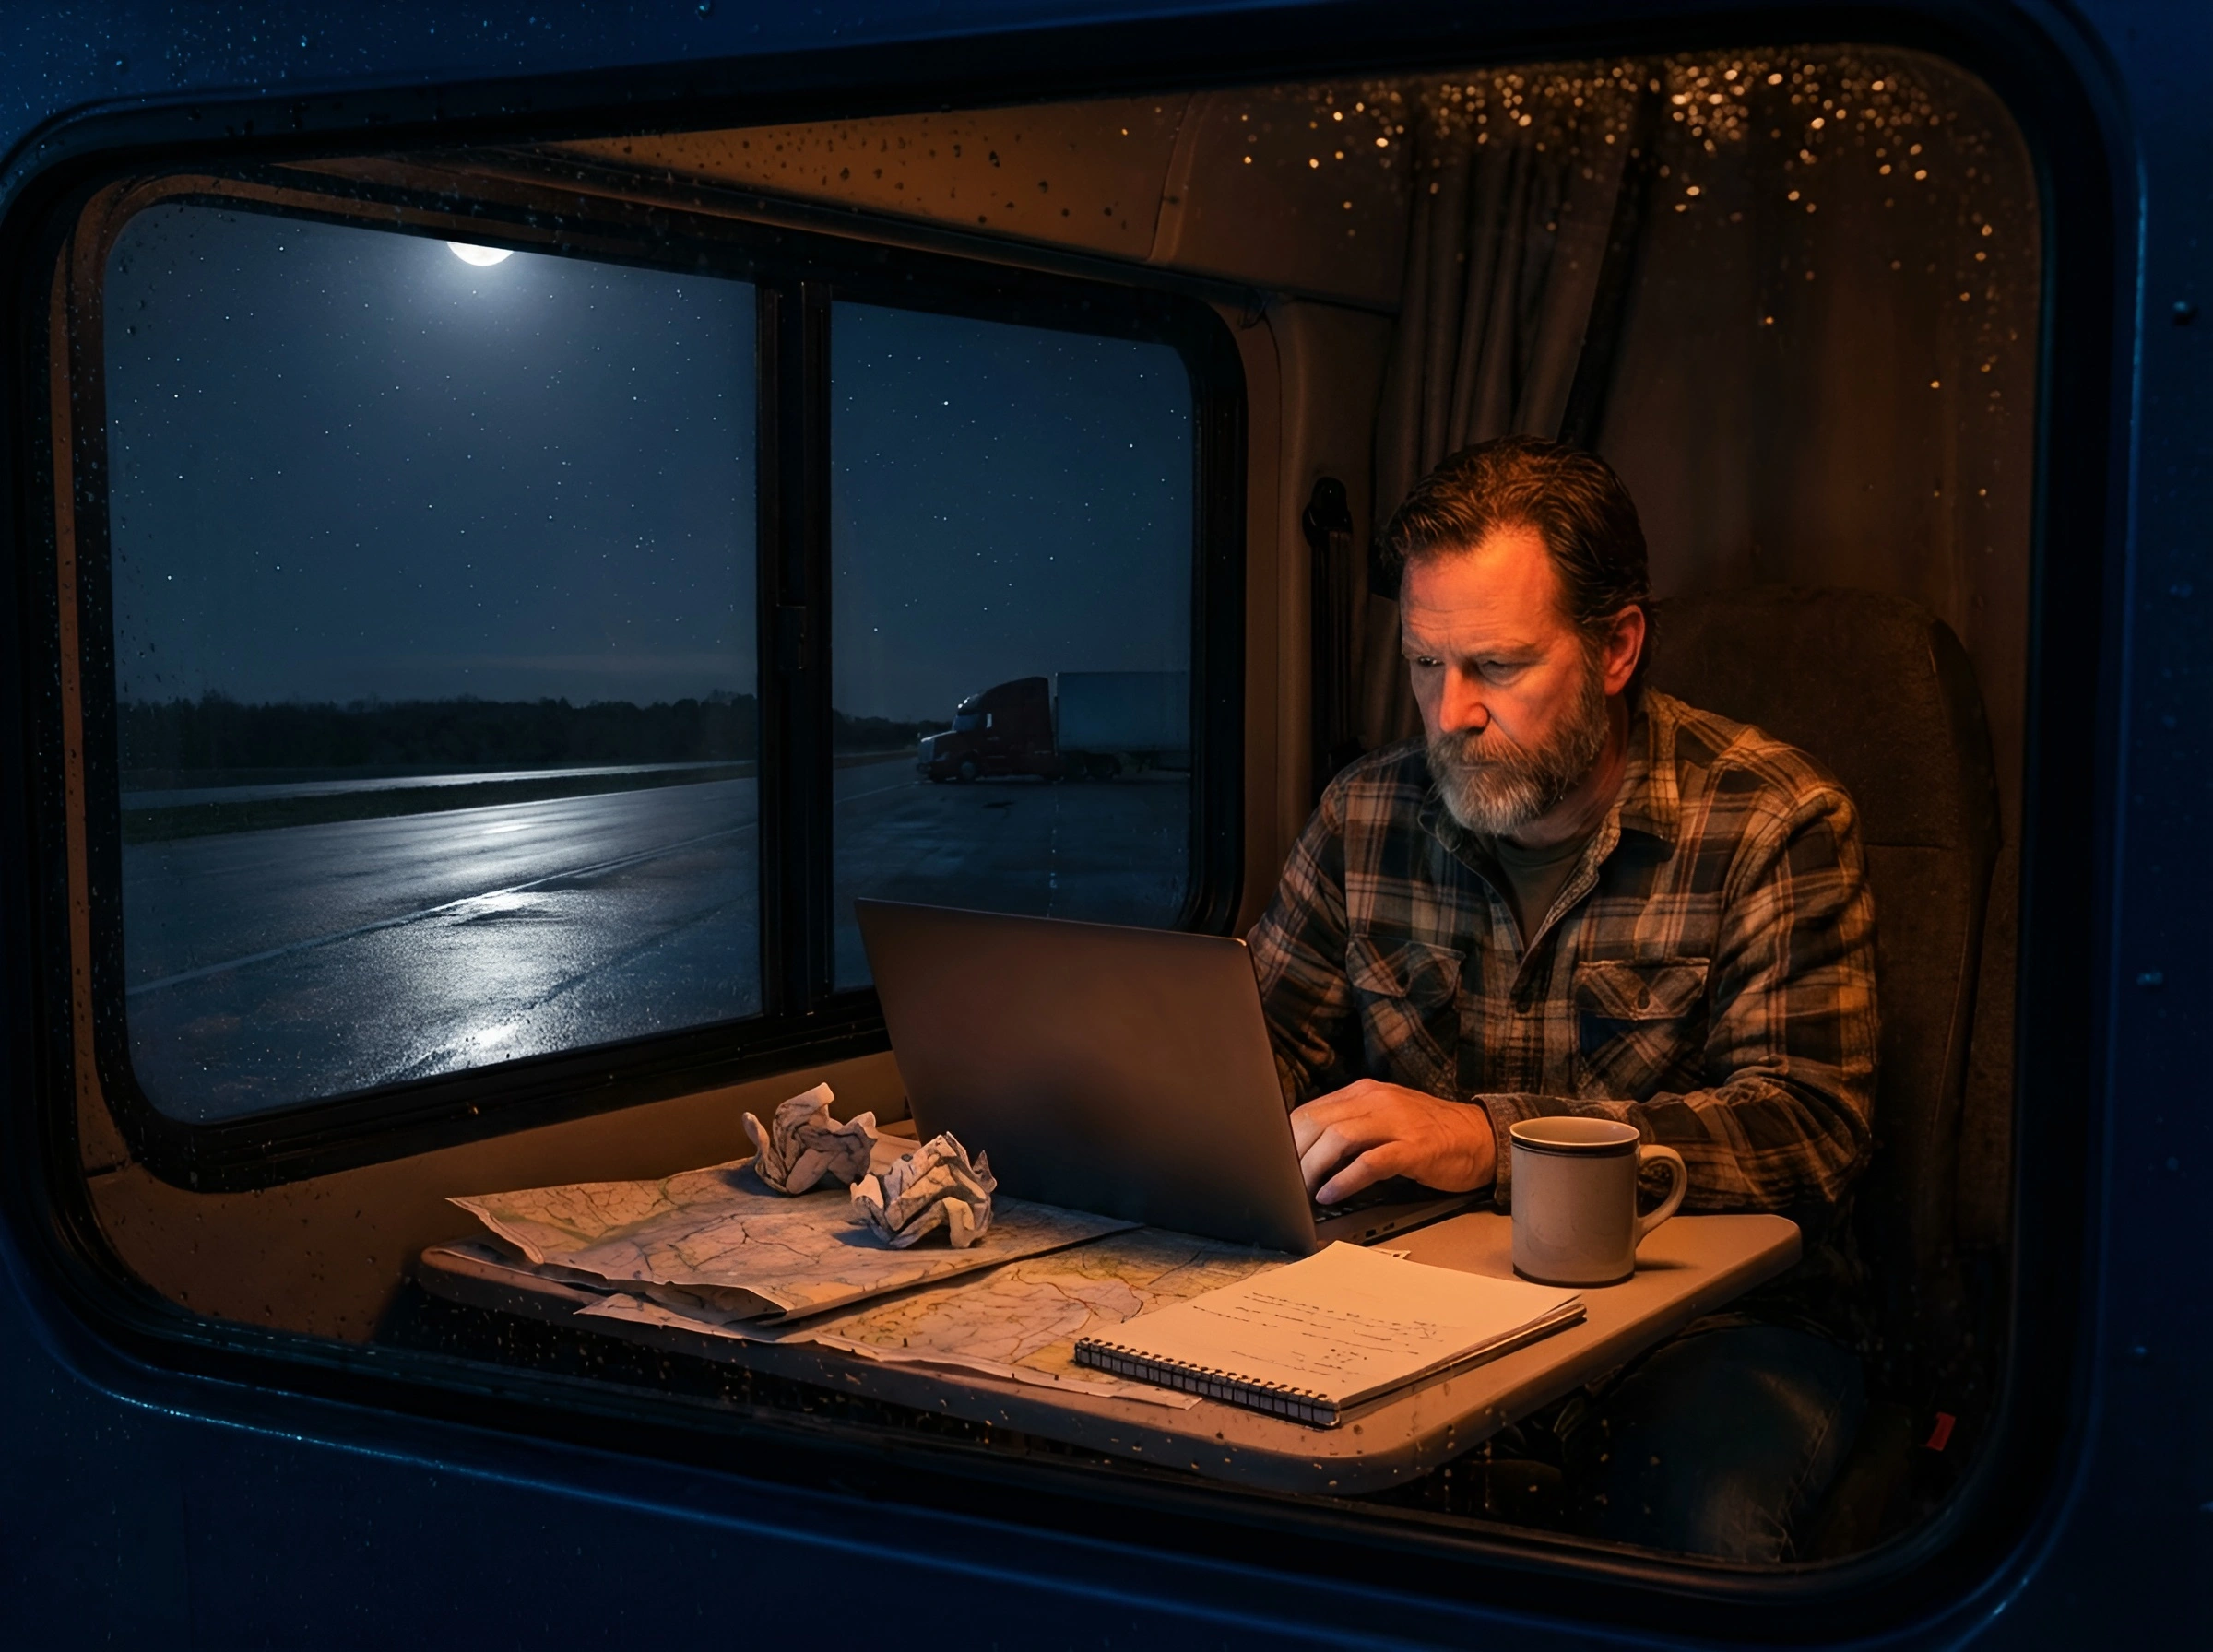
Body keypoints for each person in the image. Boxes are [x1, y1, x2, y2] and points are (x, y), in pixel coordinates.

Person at [1249, 435, 1877, 1561]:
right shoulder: (1365, 816)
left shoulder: (1773, 821)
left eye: (1494, 667)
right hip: (1417, 1296)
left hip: (1708, 1319)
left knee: (1695, 1523)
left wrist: (1487, 1140)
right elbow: (1257, 1054)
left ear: (1617, 645)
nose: (1448, 714)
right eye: (1423, 664)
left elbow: (1807, 1131)